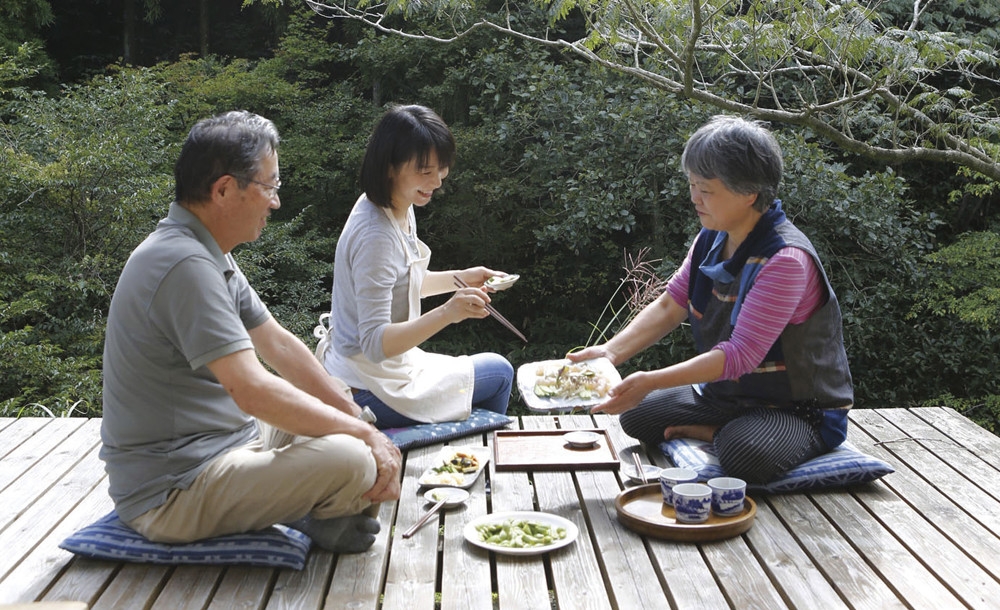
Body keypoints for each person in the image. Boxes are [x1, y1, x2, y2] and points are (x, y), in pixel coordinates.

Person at [100, 110, 401, 553]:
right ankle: (311, 514)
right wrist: (365, 438)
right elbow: (252, 390)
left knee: (343, 411)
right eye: (269, 186)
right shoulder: (184, 265)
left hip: (229, 445)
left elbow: (277, 342)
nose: (276, 201)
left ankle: (306, 507)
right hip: (172, 491)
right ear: (223, 189)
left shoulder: (206, 251)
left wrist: (350, 412)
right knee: (354, 457)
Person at [569, 115, 853, 484]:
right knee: (636, 418)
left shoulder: (785, 260)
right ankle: (728, 426)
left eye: (706, 189)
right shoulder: (711, 237)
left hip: (797, 409)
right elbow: (671, 305)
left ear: (749, 193)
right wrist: (610, 353)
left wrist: (651, 380)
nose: (694, 198)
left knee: (743, 455)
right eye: (691, 185)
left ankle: (721, 434)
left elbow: (740, 355)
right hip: (730, 395)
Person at [317, 105, 514, 429]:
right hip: (366, 385)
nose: (436, 181)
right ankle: (479, 459)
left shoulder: (397, 204)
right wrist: (448, 313)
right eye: (425, 171)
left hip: (385, 370)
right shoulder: (375, 234)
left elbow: (404, 283)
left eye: (441, 169)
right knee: (500, 371)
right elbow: (375, 343)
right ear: (390, 166)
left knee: (489, 372)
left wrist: (461, 279)